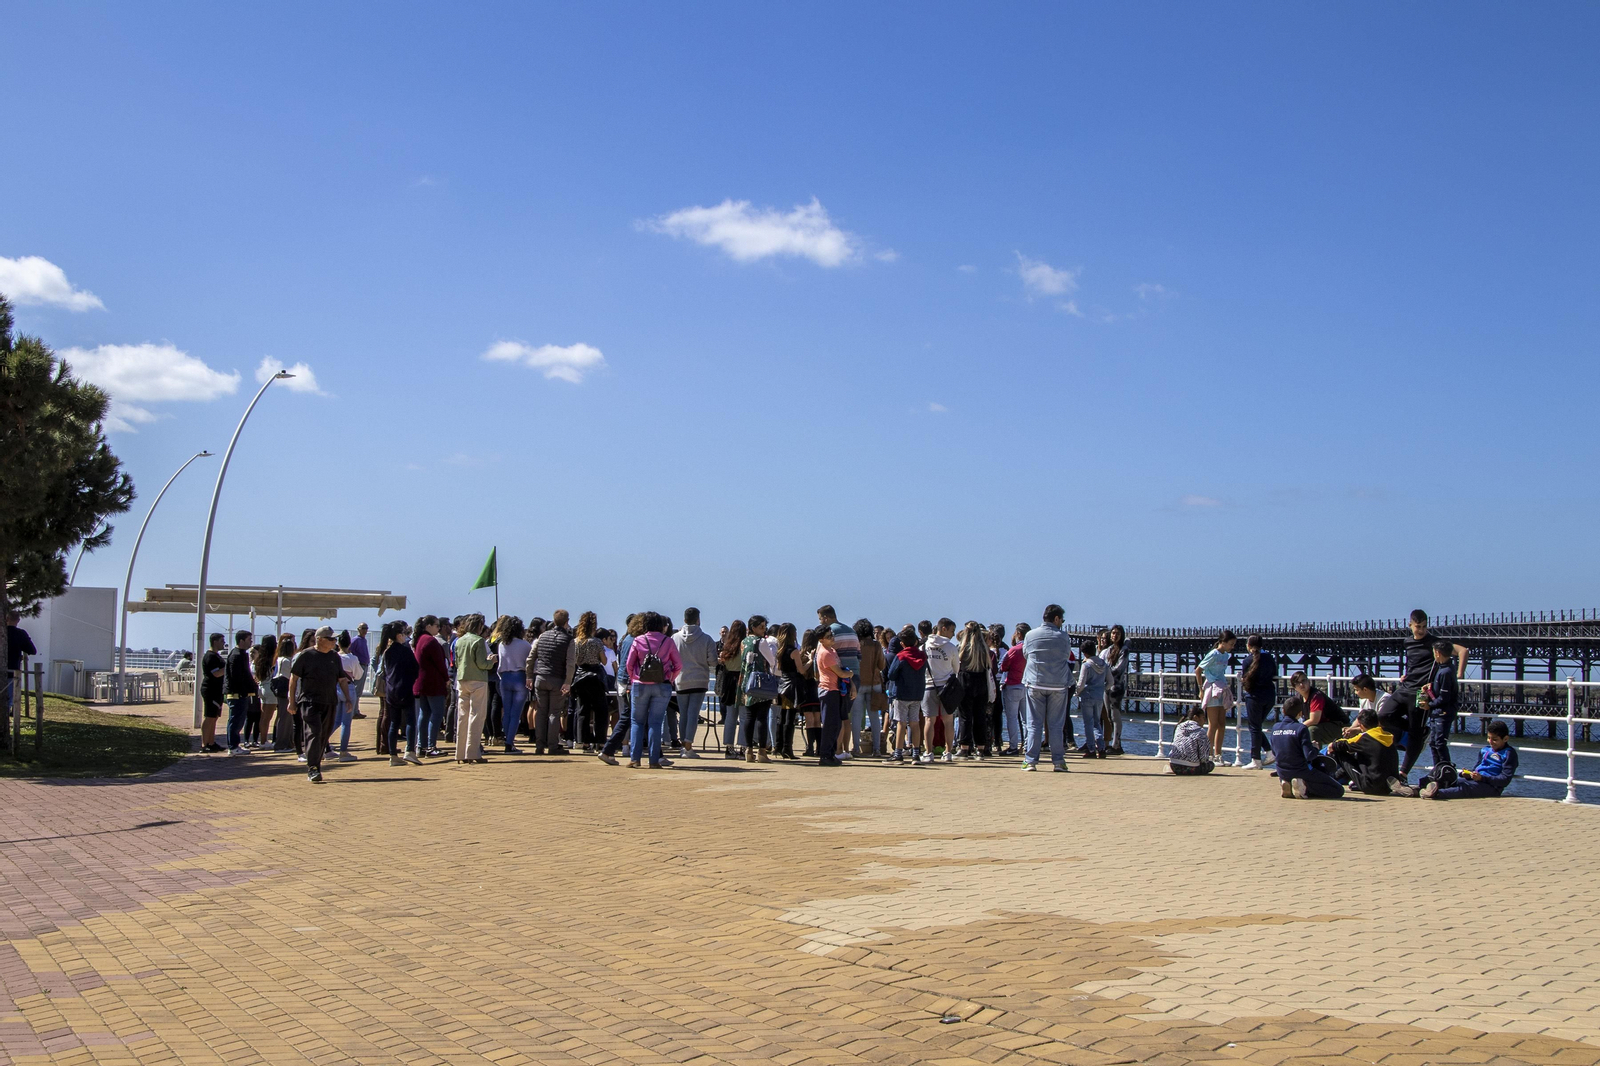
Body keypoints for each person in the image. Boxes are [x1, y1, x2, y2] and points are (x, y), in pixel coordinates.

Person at [1396, 609, 1470, 777]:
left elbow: (1463, 651)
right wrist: (1407, 675)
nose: (1421, 630)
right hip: (1411, 687)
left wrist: (1459, 674)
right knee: (1392, 718)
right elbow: (1414, 662)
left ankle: (1440, 772)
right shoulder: (1407, 642)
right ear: (1410, 625)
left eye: (1424, 626)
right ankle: (1438, 770)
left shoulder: (1435, 643)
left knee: (1436, 741)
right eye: (1418, 626)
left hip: (1426, 694)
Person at [288, 626, 351, 784]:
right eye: (331, 639)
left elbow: (342, 679)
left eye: (335, 639)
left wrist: (348, 699)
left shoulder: (335, 657)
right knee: (314, 732)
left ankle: (316, 763)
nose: (334, 642)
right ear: (320, 639)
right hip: (309, 702)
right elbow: (294, 679)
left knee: (323, 734)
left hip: (329, 701)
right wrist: (291, 701)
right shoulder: (306, 655)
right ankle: (313, 768)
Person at [623, 611, 681, 770]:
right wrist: (669, 677)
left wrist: (635, 677)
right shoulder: (668, 641)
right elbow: (678, 665)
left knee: (637, 722)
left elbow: (629, 664)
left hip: (640, 684)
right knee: (656, 723)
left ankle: (635, 759)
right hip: (662, 685)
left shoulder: (638, 640)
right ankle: (654, 760)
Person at [1021, 606, 1073, 772]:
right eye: (1062, 620)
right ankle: (1058, 761)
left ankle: (1030, 761)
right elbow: (1066, 656)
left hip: (1035, 683)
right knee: (1056, 725)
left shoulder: (1030, 635)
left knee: (1034, 724)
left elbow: (1026, 654)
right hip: (1058, 685)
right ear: (1056, 619)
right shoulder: (1063, 637)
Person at [1269, 695, 1344, 799]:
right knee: (1338, 790)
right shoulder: (1301, 728)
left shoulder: (1275, 727)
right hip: (1301, 771)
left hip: (1282, 772)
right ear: (1300, 714)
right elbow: (1309, 755)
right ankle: (1305, 788)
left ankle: (1287, 783)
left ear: (1283, 711)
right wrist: (1315, 747)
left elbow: (1274, 751)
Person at [1421, 721, 1518, 799]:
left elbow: (1505, 779)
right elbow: (1477, 768)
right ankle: (1421, 789)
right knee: (1451, 781)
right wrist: (1468, 774)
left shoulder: (1509, 754)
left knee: (1464, 789)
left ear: (1505, 739)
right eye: (1489, 738)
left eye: (1495, 739)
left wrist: (1482, 778)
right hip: (1477, 781)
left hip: (1491, 787)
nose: (1491, 742)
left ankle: (1436, 793)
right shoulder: (1485, 750)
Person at [1327, 708, 1411, 795]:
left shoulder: (1365, 738)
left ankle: (1330, 780)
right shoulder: (1387, 736)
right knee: (1359, 755)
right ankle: (1335, 778)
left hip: (1371, 785)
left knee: (1337, 751)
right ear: (1378, 723)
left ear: (1361, 726)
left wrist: (1332, 746)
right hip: (1387, 787)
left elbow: (1341, 744)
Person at [528, 609, 575, 756]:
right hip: (557, 679)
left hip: (540, 677)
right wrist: (568, 682)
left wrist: (529, 676)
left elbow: (530, 659)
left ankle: (539, 745)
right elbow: (570, 663)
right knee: (554, 713)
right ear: (567, 622)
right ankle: (553, 745)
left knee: (541, 711)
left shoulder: (542, 637)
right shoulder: (568, 640)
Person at [673, 607, 718, 758]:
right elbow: (712, 661)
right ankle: (688, 746)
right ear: (698, 620)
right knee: (693, 713)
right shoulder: (706, 639)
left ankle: (683, 745)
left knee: (683, 714)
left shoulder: (675, 638)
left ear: (684, 619)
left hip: (681, 679)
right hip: (699, 680)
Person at [453, 614, 496, 763]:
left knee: (462, 716)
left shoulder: (459, 641)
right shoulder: (478, 641)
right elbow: (482, 664)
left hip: (462, 679)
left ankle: (460, 753)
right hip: (478, 680)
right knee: (476, 716)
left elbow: (457, 662)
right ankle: (472, 752)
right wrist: (491, 662)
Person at [817, 605, 860, 756]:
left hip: (838, 677)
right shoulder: (851, 631)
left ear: (826, 617)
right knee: (845, 715)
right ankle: (845, 749)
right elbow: (858, 654)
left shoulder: (828, 633)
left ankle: (837, 750)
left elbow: (821, 658)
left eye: (821, 619)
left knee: (837, 718)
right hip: (853, 673)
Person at [883, 626, 926, 765]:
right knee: (915, 723)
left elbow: (891, 674)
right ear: (915, 642)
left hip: (901, 693)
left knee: (900, 723)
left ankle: (898, 753)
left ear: (902, 644)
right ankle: (916, 754)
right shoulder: (922, 656)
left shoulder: (900, 656)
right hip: (917, 693)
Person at [381, 621, 421, 766]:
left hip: (391, 690)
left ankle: (393, 755)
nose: (406, 636)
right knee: (410, 720)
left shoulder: (387, 651)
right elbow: (415, 668)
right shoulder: (405, 650)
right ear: (399, 635)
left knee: (394, 722)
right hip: (405, 687)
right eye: (404, 633)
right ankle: (410, 750)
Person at [1195, 630, 1237, 763]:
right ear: (1222, 642)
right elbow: (1198, 669)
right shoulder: (1213, 654)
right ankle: (1208, 754)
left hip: (1222, 687)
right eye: (1230, 644)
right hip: (1212, 688)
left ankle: (1218, 754)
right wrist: (1201, 689)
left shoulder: (1225, 656)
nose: (1232, 647)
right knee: (1213, 724)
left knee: (1222, 724)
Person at [921, 618, 960, 764]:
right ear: (943, 629)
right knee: (948, 721)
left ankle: (928, 752)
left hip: (929, 686)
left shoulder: (924, 646)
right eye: (951, 631)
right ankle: (948, 751)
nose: (953, 634)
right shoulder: (951, 647)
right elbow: (956, 668)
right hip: (947, 687)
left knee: (929, 720)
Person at [491, 615, 531, 754]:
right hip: (520, 676)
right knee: (516, 713)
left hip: (505, 678)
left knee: (507, 712)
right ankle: (509, 743)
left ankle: (507, 739)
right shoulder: (525, 644)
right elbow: (530, 663)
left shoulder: (502, 644)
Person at [570, 612, 608, 753]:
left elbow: (574, 660)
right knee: (601, 711)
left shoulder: (576, 642)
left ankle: (584, 741)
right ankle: (600, 742)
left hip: (580, 676)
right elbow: (603, 661)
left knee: (582, 710)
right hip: (594, 676)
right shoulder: (596, 642)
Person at [815, 626, 853, 766]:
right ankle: (825, 755)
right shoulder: (825, 653)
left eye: (832, 635)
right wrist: (850, 674)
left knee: (836, 724)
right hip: (828, 690)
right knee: (830, 725)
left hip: (836, 689)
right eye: (829, 636)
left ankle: (830, 753)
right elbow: (841, 673)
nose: (832, 638)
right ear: (821, 640)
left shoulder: (832, 651)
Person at [412, 616, 449, 757]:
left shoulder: (420, 640)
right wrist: (446, 679)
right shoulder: (431, 641)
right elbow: (440, 664)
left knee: (424, 713)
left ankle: (421, 746)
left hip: (421, 683)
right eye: (436, 625)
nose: (438, 628)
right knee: (437, 714)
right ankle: (431, 746)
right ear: (428, 626)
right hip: (433, 683)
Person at [955, 621, 993, 759]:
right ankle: (981, 748)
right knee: (980, 716)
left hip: (965, 681)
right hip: (981, 682)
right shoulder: (983, 649)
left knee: (965, 716)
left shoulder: (963, 648)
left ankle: (964, 747)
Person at [1239, 634, 1277, 769]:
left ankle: (1256, 759)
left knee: (1254, 727)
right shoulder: (1269, 658)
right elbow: (1275, 676)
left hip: (1254, 696)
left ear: (1249, 646)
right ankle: (1269, 752)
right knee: (1256, 727)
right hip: (1269, 696)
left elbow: (1245, 679)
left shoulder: (1247, 661)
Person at [1422, 640, 1460, 772]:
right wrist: (1431, 688)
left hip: (1443, 712)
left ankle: (1445, 771)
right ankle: (1439, 770)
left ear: (1437, 653)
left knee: (1439, 743)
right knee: (1434, 743)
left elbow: (1444, 698)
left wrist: (1429, 705)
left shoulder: (1445, 671)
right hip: (1438, 712)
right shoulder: (1446, 668)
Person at [851, 618, 886, 757]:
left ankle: (855, 748)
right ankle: (876, 749)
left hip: (858, 683)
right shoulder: (876, 645)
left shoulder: (855, 644)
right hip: (874, 683)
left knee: (856, 717)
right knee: (874, 718)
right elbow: (882, 665)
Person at [1291, 671, 1349, 748]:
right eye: (1297, 683)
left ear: (1308, 681)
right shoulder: (1298, 698)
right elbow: (1291, 715)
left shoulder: (1316, 696)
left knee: (1312, 730)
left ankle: (1316, 757)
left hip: (1341, 727)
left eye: (1303, 680)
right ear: (1294, 687)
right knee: (1300, 730)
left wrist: (1295, 728)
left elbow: (1314, 720)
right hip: (1324, 726)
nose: (1301, 684)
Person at [224, 630, 258, 756]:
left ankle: (234, 745)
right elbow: (236, 676)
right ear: (241, 640)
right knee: (235, 720)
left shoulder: (241, 654)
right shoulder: (236, 655)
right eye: (249, 640)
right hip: (236, 693)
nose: (251, 642)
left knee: (239, 719)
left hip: (241, 693)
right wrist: (246, 688)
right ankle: (232, 746)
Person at [717, 619, 747, 758]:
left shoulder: (727, 648)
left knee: (730, 716)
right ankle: (743, 747)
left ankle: (729, 748)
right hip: (742, 681)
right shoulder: (745, 646)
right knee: (744, 716)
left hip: (729, 682)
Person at [1074, 639, 1108, 758]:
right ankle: (1102, 747)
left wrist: (1077, 692)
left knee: (1088, 723)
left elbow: (1081, 683)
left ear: (1084, 653)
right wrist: (1102, 689)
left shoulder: (1086, 665)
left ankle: (1091, 749)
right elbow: (1111, 681)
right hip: (1099, 696)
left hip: (1087, 696)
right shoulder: (1104, 664)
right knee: (1097, 723)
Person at [2, 611, 37, 724]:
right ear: (18, 620)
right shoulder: (20, 634)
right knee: (8, 699)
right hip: (12, 671)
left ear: (5, 619)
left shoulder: (2, 632)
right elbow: (32, 650)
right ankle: (4, 723)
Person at [1352, 674, 1408, 740]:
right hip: (1373, 730)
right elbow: (1360, 718)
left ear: (1365, 690)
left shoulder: (1384, 698)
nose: (1355, 692)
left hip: (1389, 731)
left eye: (1356, 690)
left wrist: (1356, 730)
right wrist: (1351, 728)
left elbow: (1380, 723)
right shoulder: (1363, 699)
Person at [1102, 625, 1128, 756]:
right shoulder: (1109, 650)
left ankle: (1116, 744)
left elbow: (1120, 668)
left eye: (1117, 633)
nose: (1114, 635)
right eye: (1112, 633)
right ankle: (1114, 742)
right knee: (1108, 715)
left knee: (1115, 715)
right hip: (1107, 686)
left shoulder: (1124, 650)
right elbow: (1103, 663)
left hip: (1117, 687)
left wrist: (1106, 673)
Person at [200, 632, 227, 753]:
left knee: (214, 717)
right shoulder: (210, 656)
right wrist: (229, 668)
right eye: (222, 641)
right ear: (215, 641)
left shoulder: (216, 656)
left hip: (217, 690)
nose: (224, 643)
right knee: (209, 716)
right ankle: (204, 743)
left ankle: (211, 742)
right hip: (210, 689)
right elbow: (216, 673)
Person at [1168, 706, 1215, 775]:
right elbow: (1203, 758)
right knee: (1211, 765)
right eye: (1203, 718)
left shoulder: (1179, 727)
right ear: (1195, 717)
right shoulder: (1200, 731)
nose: (1204, 721)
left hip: (1174, 765)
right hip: (1191, 767)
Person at [251, 634, 278, 750]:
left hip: (261, 687)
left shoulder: (259, 659)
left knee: (263, 717)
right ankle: (264, 741)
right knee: (268, 717)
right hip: (270, 688)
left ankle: (262, 739)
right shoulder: (273, 658)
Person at [273, 634, 298, 754]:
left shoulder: (279, 659)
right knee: (285, 718)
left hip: (279, 689)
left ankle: (286, 742)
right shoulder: (287, 661)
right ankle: (281, 744)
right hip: (285, 689)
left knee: (284, 717)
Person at [349, 622, 371, 718]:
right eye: (363, 628)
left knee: (359, 689)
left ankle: (356, 710)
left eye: (366, 628)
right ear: (359, 629)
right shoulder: (355, 640)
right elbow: (349, 651)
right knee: (357, 688)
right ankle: (354, 711)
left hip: (364, 665)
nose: (365, 630)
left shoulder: (363, 640)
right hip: (359, 666)